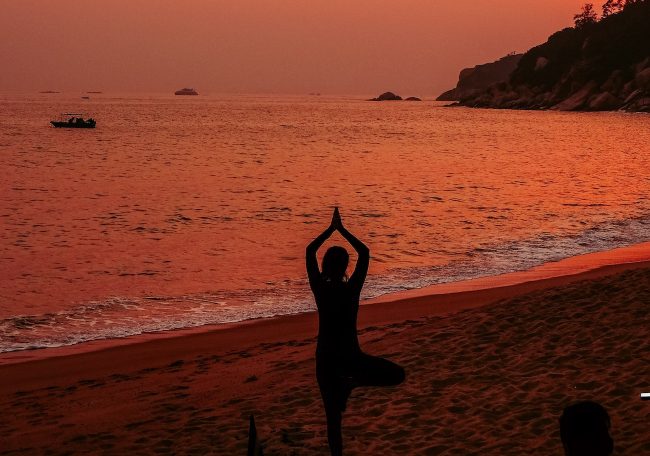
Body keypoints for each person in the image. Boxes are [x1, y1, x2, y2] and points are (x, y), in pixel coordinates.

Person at [306, 207, 405, 455]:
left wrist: (330, 230)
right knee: (397, 374)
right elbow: (364, 252)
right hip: (350, 357)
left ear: (325, 266)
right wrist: (343, 230)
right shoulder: (352, 290)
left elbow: (309, 251)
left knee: (333, 418)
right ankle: (353, 384)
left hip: (327, 360)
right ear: (345, 267)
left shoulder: (320, 288)